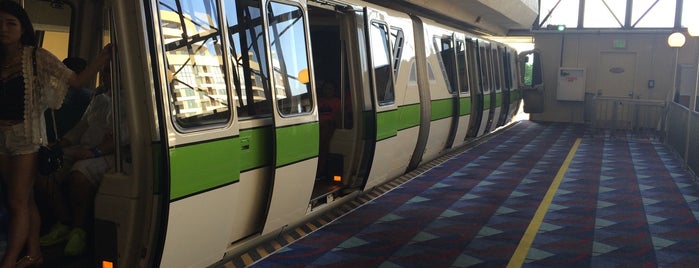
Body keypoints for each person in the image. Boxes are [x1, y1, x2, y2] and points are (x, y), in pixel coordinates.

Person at [0, 2, 111, 267]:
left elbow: (76, 81)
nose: (3, 29)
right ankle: (34, 253)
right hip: (2, 138)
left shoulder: (36, 56)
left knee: (16, 202)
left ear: (23, 27)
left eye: (10, 23)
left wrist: (101, 60)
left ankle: (10, 260)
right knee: (24, 200)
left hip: (26, 138)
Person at [36, 66, 113, 256]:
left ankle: (79, 231)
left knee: (79, 173)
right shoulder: (99, 98)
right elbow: (81, 127)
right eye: (104, 71)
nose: (104, 75)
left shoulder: (132, 100)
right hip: (84, 148)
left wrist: (95, 151)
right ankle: (65, 221)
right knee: (44, 169)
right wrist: (60, 144)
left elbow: (124, 137)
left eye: (109, 72)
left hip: (110, 154)